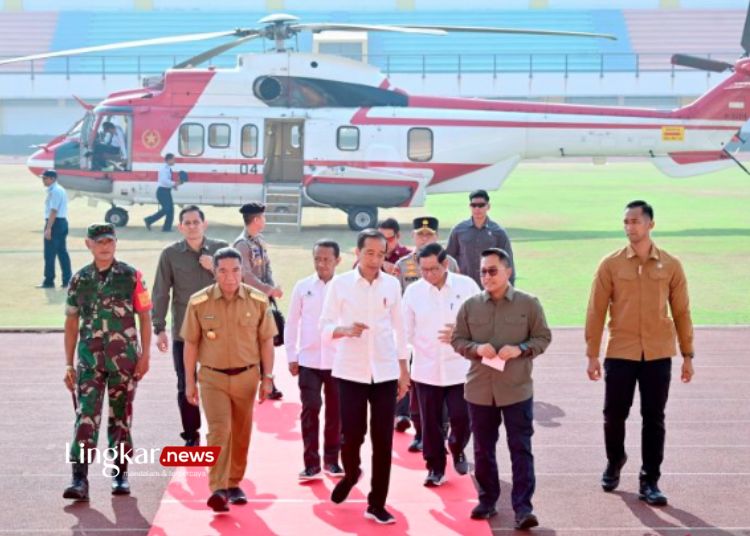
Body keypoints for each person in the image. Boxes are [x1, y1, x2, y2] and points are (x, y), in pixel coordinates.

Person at [585, 200, 694, 507]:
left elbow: (682, 311)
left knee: (654, 418)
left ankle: (650, 480)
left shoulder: (671, 265)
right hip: (621, 350)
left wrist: (687, 354)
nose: (629, 227)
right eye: (626, 222)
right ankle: (615, 459)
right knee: (613, 415)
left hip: (658, 353)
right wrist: (592, 354)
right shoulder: (611, 264)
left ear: (650, 225)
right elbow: (595, 310)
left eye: (635, 221)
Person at [452, 248, 551, 529]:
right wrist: (474, 348)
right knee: (483, 450)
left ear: (508, 271)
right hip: (480, 391)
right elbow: (457, 340)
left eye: (493, 270)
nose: (487, 276)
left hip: (516, 390)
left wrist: (520, 349)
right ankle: (487, 500)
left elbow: (543, 338)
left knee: (520, 448)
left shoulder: (529, 304)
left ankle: (523, 508)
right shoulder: (470, 306)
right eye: (483, 271)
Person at [319, 228, 410, 525]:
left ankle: (376, 503)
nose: (374, 259)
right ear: (357, 253)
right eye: (369, 253)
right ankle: (352, 472)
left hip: (384, 371)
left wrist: (403, 371)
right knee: (352, 437)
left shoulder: (392, 285)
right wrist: (344, 330)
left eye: (380, 254)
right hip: (350, 371)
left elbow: (400, 329)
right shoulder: (341, 284)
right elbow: (324, 325)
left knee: (383, 441)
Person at [181, 247, 277, 512]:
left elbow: (266, 340)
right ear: (214, 272)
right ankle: (218, 488)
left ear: (242, 271)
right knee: (219, 430)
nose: (230, 277)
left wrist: (267, 378)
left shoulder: (258, 301)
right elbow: (190, 344)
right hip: (212, 378)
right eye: (222, 270)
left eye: (235, 270)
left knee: (241, 432)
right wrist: (189, 382)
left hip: (247, 377)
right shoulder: (199, 302)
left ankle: (234, 483)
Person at [62, 223, 152, 501]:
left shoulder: (132, 276)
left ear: (116, 242)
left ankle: (120, 473)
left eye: (109, 241)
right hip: (89, 360)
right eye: (99, 242)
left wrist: (145, 355)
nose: (105, 246)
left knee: (121, 417)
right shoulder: (79, 280)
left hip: (124, 361)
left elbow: (145, 317)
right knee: (85, 417)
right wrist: (68, 363)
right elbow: (71, 322)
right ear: (88, 244)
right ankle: (80, 478)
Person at [402, 243, 480, 487]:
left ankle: (457, 447)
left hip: (460, 367)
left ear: (446, 264)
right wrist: (404, 366)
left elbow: (482, 321)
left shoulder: (466, 286)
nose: (428, 275)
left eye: (433, 269)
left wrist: (461, 333)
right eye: (423, 270)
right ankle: (435, 467)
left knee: (462, 417)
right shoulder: (414, 292)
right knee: (430, 422)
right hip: (426, 368)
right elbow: (405, 332)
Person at [151, 205, 228, 446]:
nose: (193, 226)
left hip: (220, 332)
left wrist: (214, 268)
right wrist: (159, 327)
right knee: (186, 382)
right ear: (180, 227)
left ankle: (221, 432)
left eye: (197, 222)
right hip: (185, 334)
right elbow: (161, 292)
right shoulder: (170, 254)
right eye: (188, 223)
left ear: (205, 224)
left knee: (221, 382)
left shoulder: (221, 250)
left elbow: (238, 284)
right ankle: (191, 435)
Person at [393, 216, 459, 450]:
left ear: (436, 236)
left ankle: (440, 431)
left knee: (439, 389)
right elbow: (398, 297)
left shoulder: (449, 262)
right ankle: (406, 420)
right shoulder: (402, 264)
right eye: (420, 235)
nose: (424, 238)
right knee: (409, 381)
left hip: (444, 338)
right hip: (413, 334)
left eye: (429, 234)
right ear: (413, 236)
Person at [285, 240, 344, 480]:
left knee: (336, 413)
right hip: (308, 360)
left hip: (338, 361)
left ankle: (332, 460)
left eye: (327, 259)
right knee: (310, 410)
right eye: (317, 259)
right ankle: (311, 463)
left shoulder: (345, 287)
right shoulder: (302, 286)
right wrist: (292, 355)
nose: (321, 264)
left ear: (338, 260)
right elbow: (292, 322)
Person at [234, 202, 283, 400]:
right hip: (249, 302)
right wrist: (268, 289)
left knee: (266, 341)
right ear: (255, 220)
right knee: (250, 344)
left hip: (263, 300)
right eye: (262, 217)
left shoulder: (259, 240)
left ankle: (268, 382)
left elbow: (266, 268)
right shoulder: (241, 245)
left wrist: (271, 288)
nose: (264, 220)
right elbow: (246, 276)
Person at [446, 189, 515, 287]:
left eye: (481, 205)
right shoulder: (458, 230)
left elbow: (508, 262)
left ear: (488, 206)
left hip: (490, 285)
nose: (477, 209)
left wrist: (510, 288)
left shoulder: (498, 232)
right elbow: (449, 258)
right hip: (464, 285)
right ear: (470, 207)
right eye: (474, 205)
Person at [38, 169, 72, 289]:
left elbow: (53, 211)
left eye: (45, 178)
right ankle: (67, 280)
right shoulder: (58, 189)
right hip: (60, 222)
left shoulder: (55, 191)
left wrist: (48, 228)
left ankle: (49, 280)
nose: (43, 180)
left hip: (55, 223)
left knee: (50, 253)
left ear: (52, 179)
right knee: (62, 252)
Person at [144, 153, 178, 232]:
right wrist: (174, 183)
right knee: (166, 209)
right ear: (169, 160)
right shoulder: (164, 169)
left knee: (170, 210)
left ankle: (167, 228)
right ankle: (149, 220)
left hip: (166, 191)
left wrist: (173, 186)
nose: (174, 161)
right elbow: (164, 181)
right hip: (162, 192)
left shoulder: (168, 168)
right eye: (173, 159)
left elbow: (167, 181)